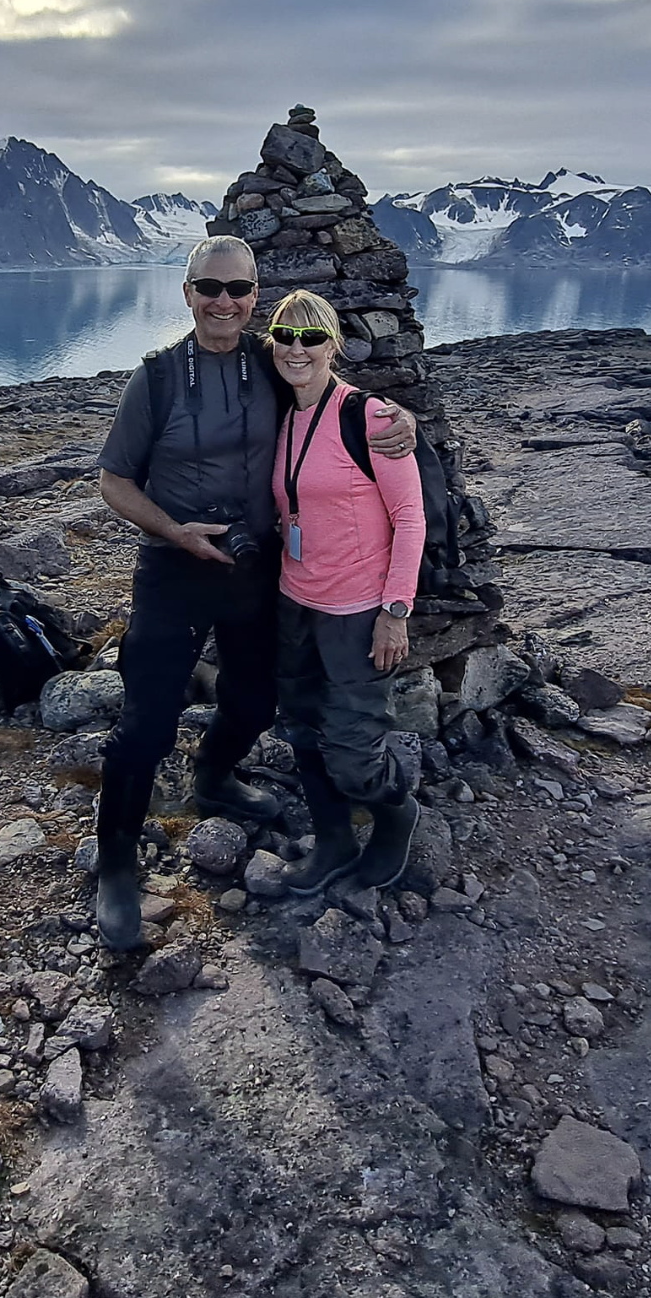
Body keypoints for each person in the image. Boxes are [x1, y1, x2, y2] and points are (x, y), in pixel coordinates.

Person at [94, 236, 415, 949]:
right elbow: (114, 481)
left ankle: (212, 777)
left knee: (254, 700)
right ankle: (115, 863)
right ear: (187, 292)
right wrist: (177, 532)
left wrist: (396, 418)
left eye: (239, 290)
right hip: (174, 567)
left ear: (254, 298)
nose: (224, 302)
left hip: (255, 567)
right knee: (145, 722)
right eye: (209, 287)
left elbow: (327, 393)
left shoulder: (269, 366)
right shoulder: (154, 379)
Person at [268, 288, 427, 895]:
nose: (297, 348)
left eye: (312, 337)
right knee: (303, 730)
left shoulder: (372, 418)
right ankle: (334, 841)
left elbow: (410, 518)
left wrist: (395, 612)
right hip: (294, 602)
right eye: (285, 335)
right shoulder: (279, 415)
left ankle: (395, 812)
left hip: (359, 613)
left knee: (354, 753)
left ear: (334, 345)